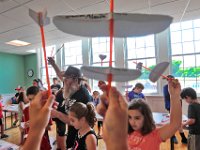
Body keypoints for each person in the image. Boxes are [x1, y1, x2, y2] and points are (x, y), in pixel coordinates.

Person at [22, 86, 128, 150]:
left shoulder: (90, 137)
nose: (69, 122)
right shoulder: (79, 132)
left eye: (72, 120)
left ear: (82, 119)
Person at [127, 79, 182, 150]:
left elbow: (175, 124)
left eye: (137, 118)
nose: (132, 122)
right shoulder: (127, 132)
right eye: (129, 117)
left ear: (146, 117)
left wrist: (174, 96)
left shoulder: (154, 135)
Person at [50, 65, 93, 149]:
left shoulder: (83, 96)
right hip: (72, 130)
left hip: (81, 134)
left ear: (76, 80)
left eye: (66, 78)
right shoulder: (71, 88)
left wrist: (57, 114)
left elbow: (76, 121)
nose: (64, 81)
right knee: (69, 144)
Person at [25, 86, 51, 150]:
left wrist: (36, 125)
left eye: (34, 99)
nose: (31, 102)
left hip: (43, 142)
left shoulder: (44, 110)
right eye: (30, 99)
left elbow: (49, 127)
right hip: (30, 141)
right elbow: (24, 127)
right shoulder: (25, 110)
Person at [163, 75, 187, 144]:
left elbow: (180, 96)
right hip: (171, 106)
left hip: (177, 105)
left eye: (173, 79)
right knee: (174, 122)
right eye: (170, 79)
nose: (172, 80)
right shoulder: (166, 87)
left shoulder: (176, 87)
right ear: (168, 80)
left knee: (178, 122)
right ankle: (175, 137)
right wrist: (171, 107)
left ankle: (182, 138)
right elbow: (167, 97)